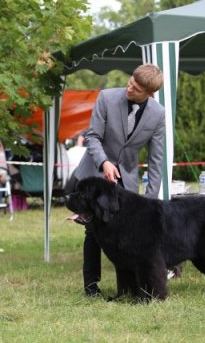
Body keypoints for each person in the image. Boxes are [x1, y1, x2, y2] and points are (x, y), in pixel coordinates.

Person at [68, 63, 166, 296]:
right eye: (131, 80)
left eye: (138, 88)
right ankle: (91, 286)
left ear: (150, 94)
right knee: (94, 230)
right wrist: (105, 162)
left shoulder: (158, 114)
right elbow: (92, 136)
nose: (130, 88)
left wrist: (150, 201)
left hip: (126, 182)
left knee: (127, 234)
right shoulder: (106, 98)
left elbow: (156, 159)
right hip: (94, 172)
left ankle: (128, 287)